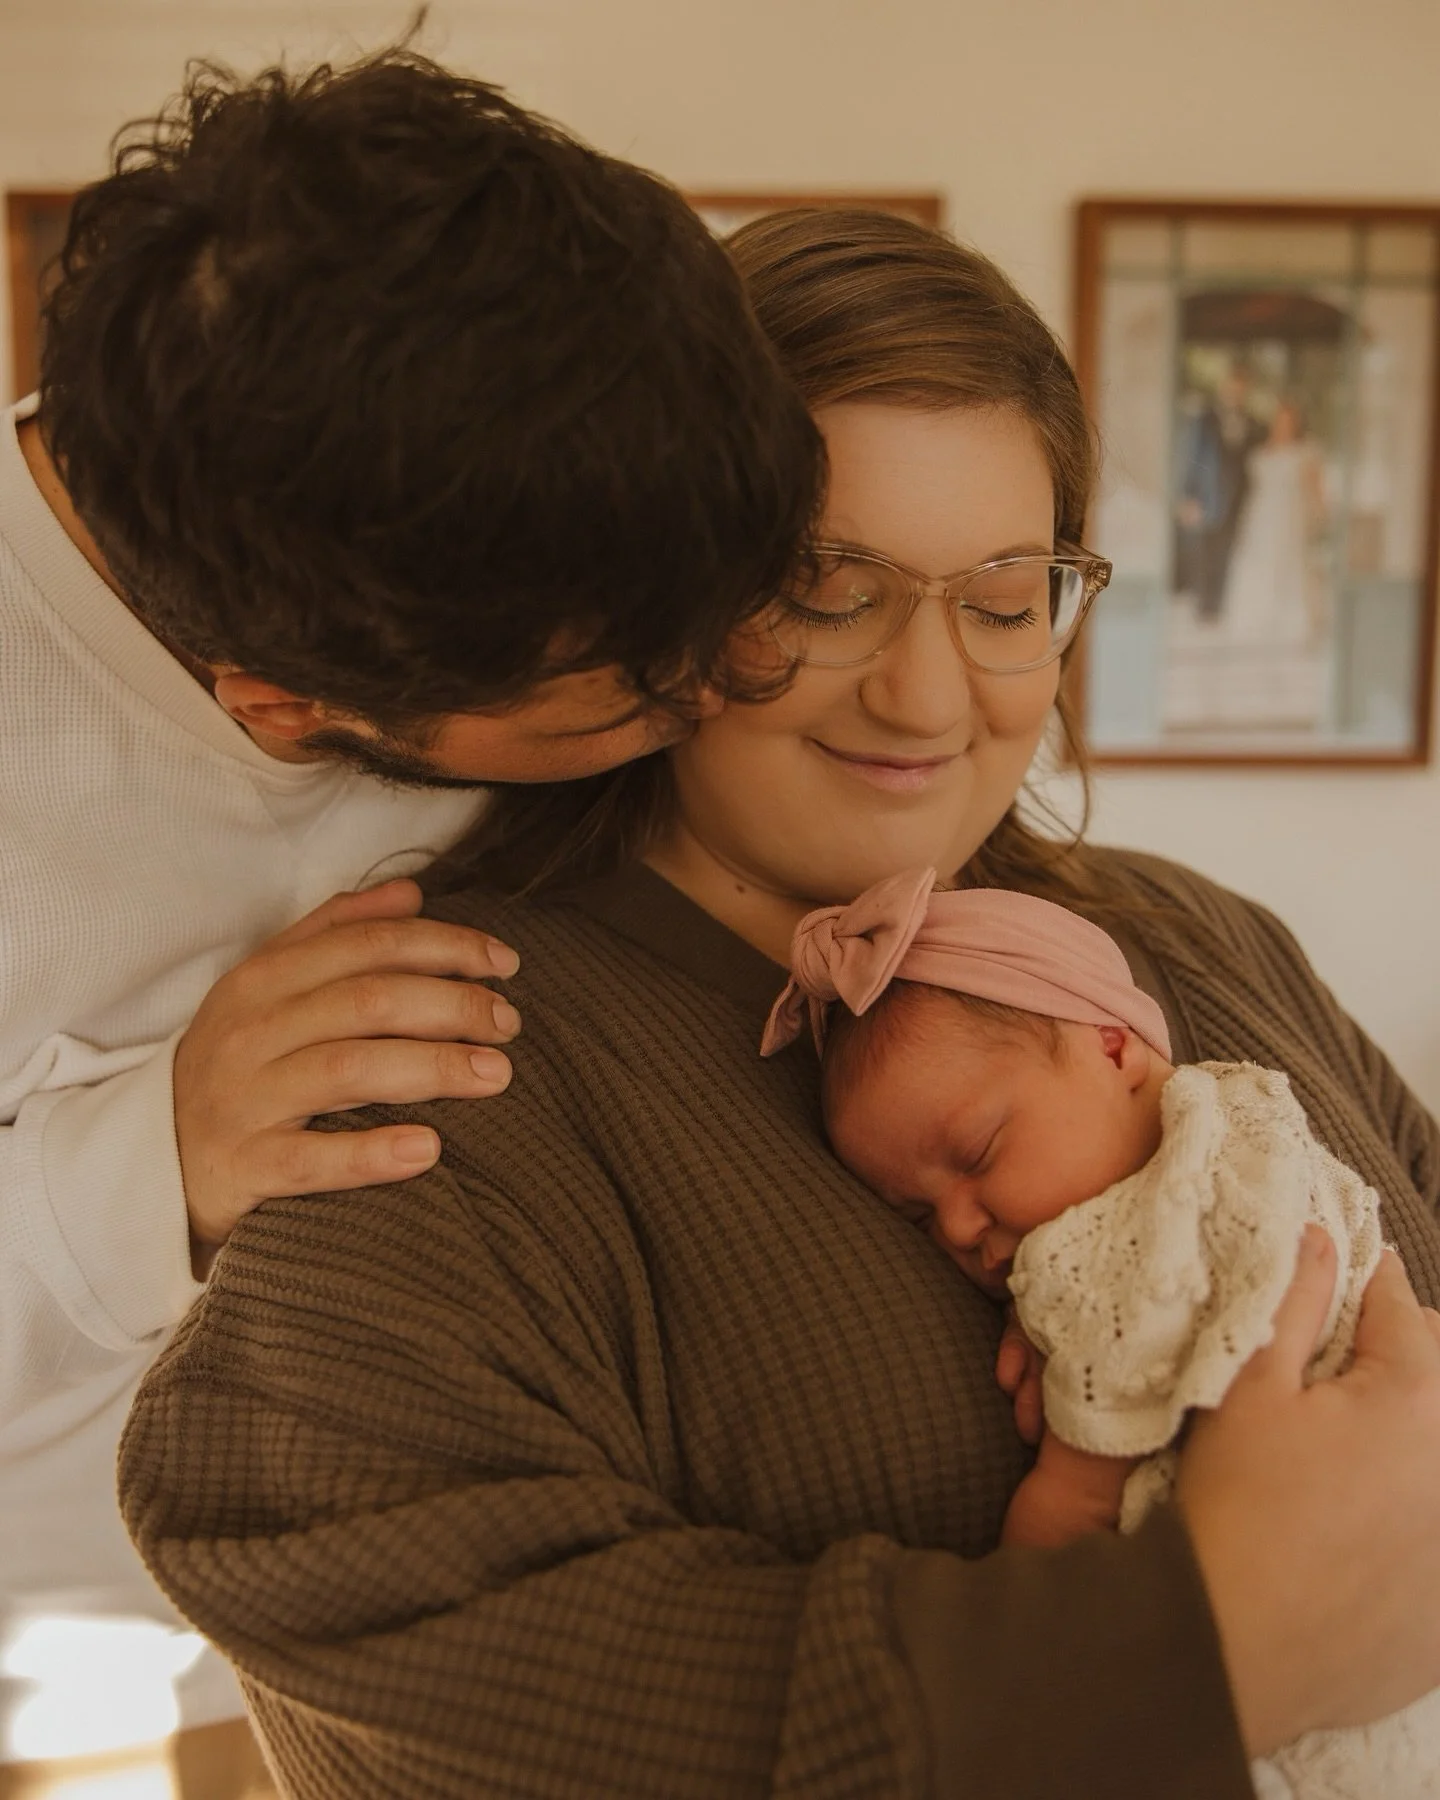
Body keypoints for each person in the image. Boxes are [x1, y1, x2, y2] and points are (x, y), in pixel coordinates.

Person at [119, 210, 1440, 1798]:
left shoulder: (1194, 935)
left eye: (1007, 598)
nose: (930, 693)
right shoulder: (442, 1052)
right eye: (824, 589)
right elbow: (390, 1620)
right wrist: (1210, 1643)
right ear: (655, 593)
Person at [2, 41, 819, 1701]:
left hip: (556, 1589)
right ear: (288, 707)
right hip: (114, 1679)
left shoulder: (552, 501)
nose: (720, 698)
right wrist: (150, 1151)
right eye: (638, 701)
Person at [766, 866, 1439, 1799]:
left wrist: (1060, 1498)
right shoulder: (1242, 1113)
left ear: (1116, 1050)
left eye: (979, 1154)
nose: (961, 1227)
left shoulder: (1154, 1218)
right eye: (917, 1217)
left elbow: (1107, 1414)